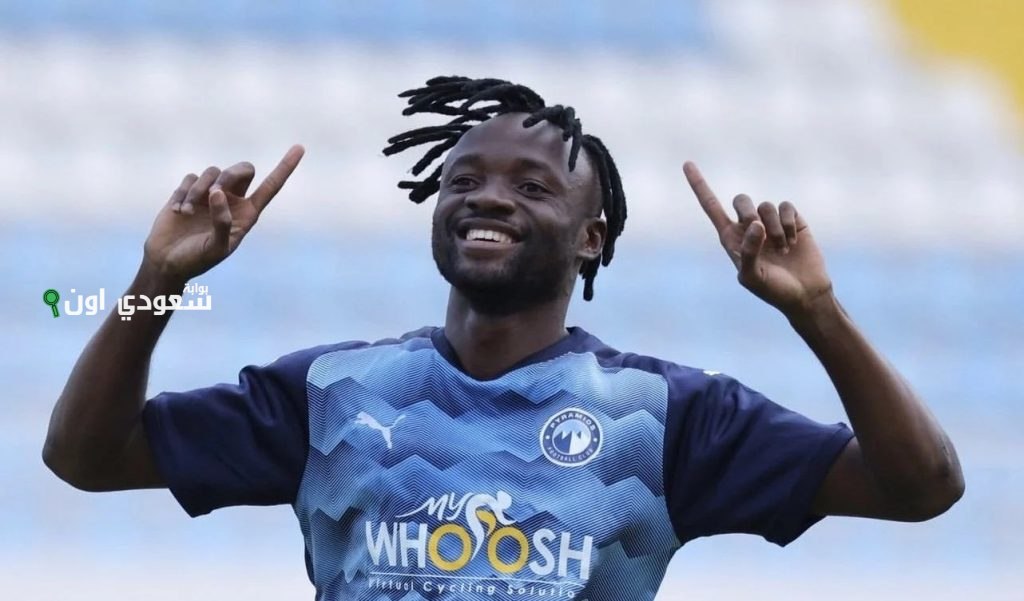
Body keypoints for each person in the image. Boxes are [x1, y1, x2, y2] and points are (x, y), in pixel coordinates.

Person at [43, 76, 964, 601]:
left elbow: (922, 486)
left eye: (530, 186)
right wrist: (157, 281)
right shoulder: (330, 393)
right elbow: (85, 456)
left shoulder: (665, 416)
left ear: (592, 236)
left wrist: (818, 314)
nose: (487, 197)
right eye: (464, 180)